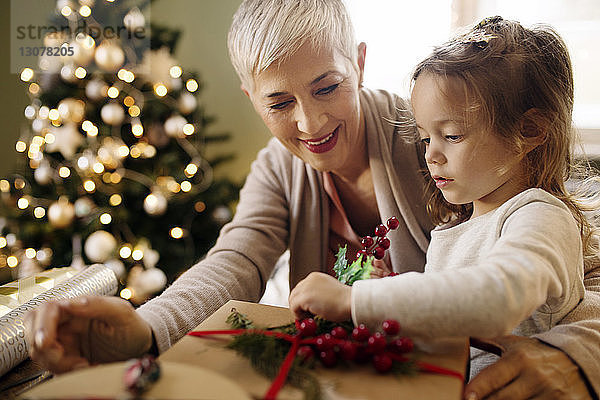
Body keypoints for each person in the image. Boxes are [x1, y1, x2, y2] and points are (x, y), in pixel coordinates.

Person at [24, 2, 600, 399]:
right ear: (250, 97)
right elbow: (237, 263)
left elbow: (569, 250)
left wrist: (576, 355)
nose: (311, 120)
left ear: (360, 62)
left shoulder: (442, 140)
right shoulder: (278, 170)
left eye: (327, 87)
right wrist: (145, 330)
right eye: (279, 103)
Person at [289, 13, 599, 389]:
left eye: (451, 136)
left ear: (529, 131)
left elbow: (494, 299)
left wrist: (358, 300)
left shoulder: (537, 215)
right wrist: (392, 288)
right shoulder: (458, 227)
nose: (431, 156)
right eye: (424, 139)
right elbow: (451, 318)